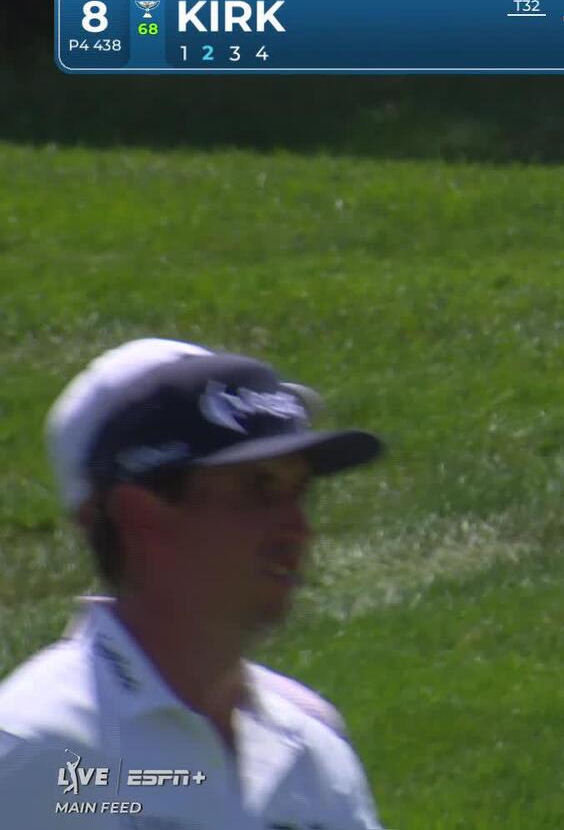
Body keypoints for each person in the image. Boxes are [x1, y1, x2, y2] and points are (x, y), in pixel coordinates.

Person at [0, 338, 387, 828]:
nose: (299, 527)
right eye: (260, 486)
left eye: (300, 490)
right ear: (139, 515)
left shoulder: (314, 751)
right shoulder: (39, 752)